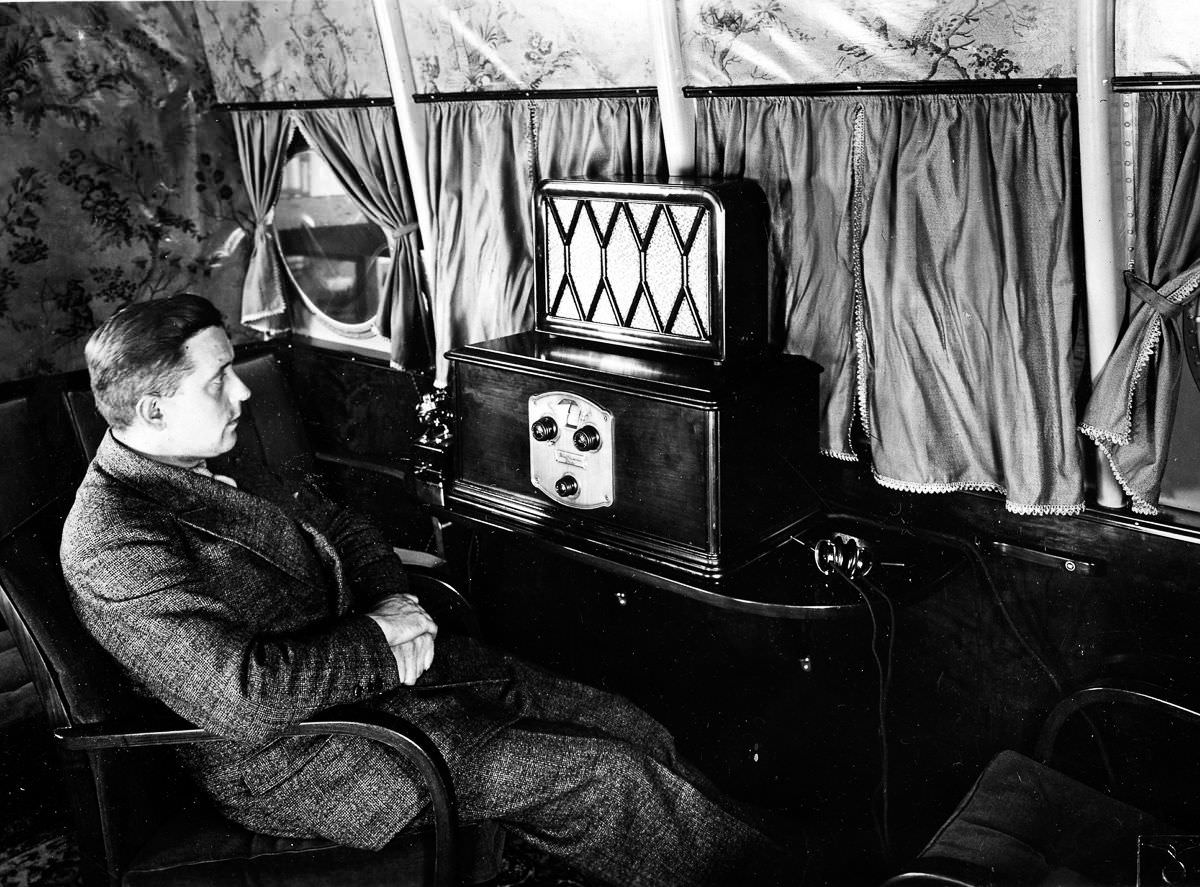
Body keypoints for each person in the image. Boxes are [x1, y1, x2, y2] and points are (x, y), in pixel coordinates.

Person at [60, 294, 798, 887]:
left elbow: (349, 531)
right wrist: (384, 639)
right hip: (314, 755)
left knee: (628, 723)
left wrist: (399, 617)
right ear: (151, 410)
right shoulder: (112, 535)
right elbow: (242, 697)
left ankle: (785, 863)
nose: (243, 392)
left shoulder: (207, 451)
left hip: (395, 683)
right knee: (607, 776)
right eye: (217, 378)